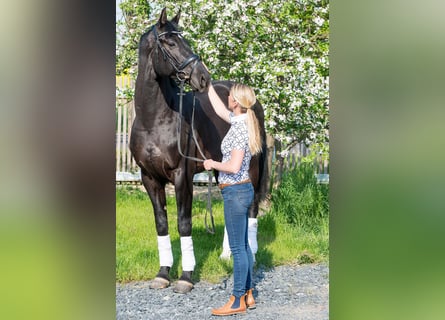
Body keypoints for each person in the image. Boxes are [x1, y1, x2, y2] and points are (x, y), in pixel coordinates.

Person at [204, 82, 262, 316]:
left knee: (237, 248)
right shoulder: (242, 121)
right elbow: (219, 110)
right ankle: (248, 294)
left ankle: (237, 299)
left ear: (236, 102)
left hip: (235, 192)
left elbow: (234, 165)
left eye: (229, 95)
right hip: (242, 190)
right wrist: (207, 83)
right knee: (244, 246)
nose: (227, 96)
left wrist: (212, 164)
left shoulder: (239, 130)